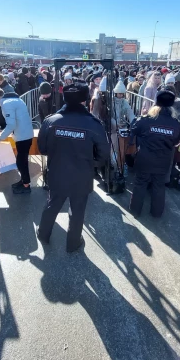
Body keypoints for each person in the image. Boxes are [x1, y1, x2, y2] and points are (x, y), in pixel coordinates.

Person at [36, 83, 110, 252]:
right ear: (85, 100)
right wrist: (90, 164)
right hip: (82, 175)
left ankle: (43, 234)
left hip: (57, 172)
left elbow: (43, 148)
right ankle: (73, 242)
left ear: (65, 98)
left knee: (52, 204)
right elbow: (103, 153)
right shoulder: (93, 124)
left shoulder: (50, 121)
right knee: (77, 210)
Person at [129, 91, 180, 218]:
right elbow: (176, 141)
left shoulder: (146, 120)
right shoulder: (175, 123)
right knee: (159, 185)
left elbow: (133, 130)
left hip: (145, 159)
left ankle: (135, 211)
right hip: (163, 161)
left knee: (140, 184)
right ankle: (157, 213)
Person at [0, 87, 35, 194]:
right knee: (22, 161)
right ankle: (24, 181)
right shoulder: (17, 100)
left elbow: (11, 124)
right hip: (26, 133)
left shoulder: (6, 104)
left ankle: (26, 185)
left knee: (21, 162)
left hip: (22, 136)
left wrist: (0, 138)